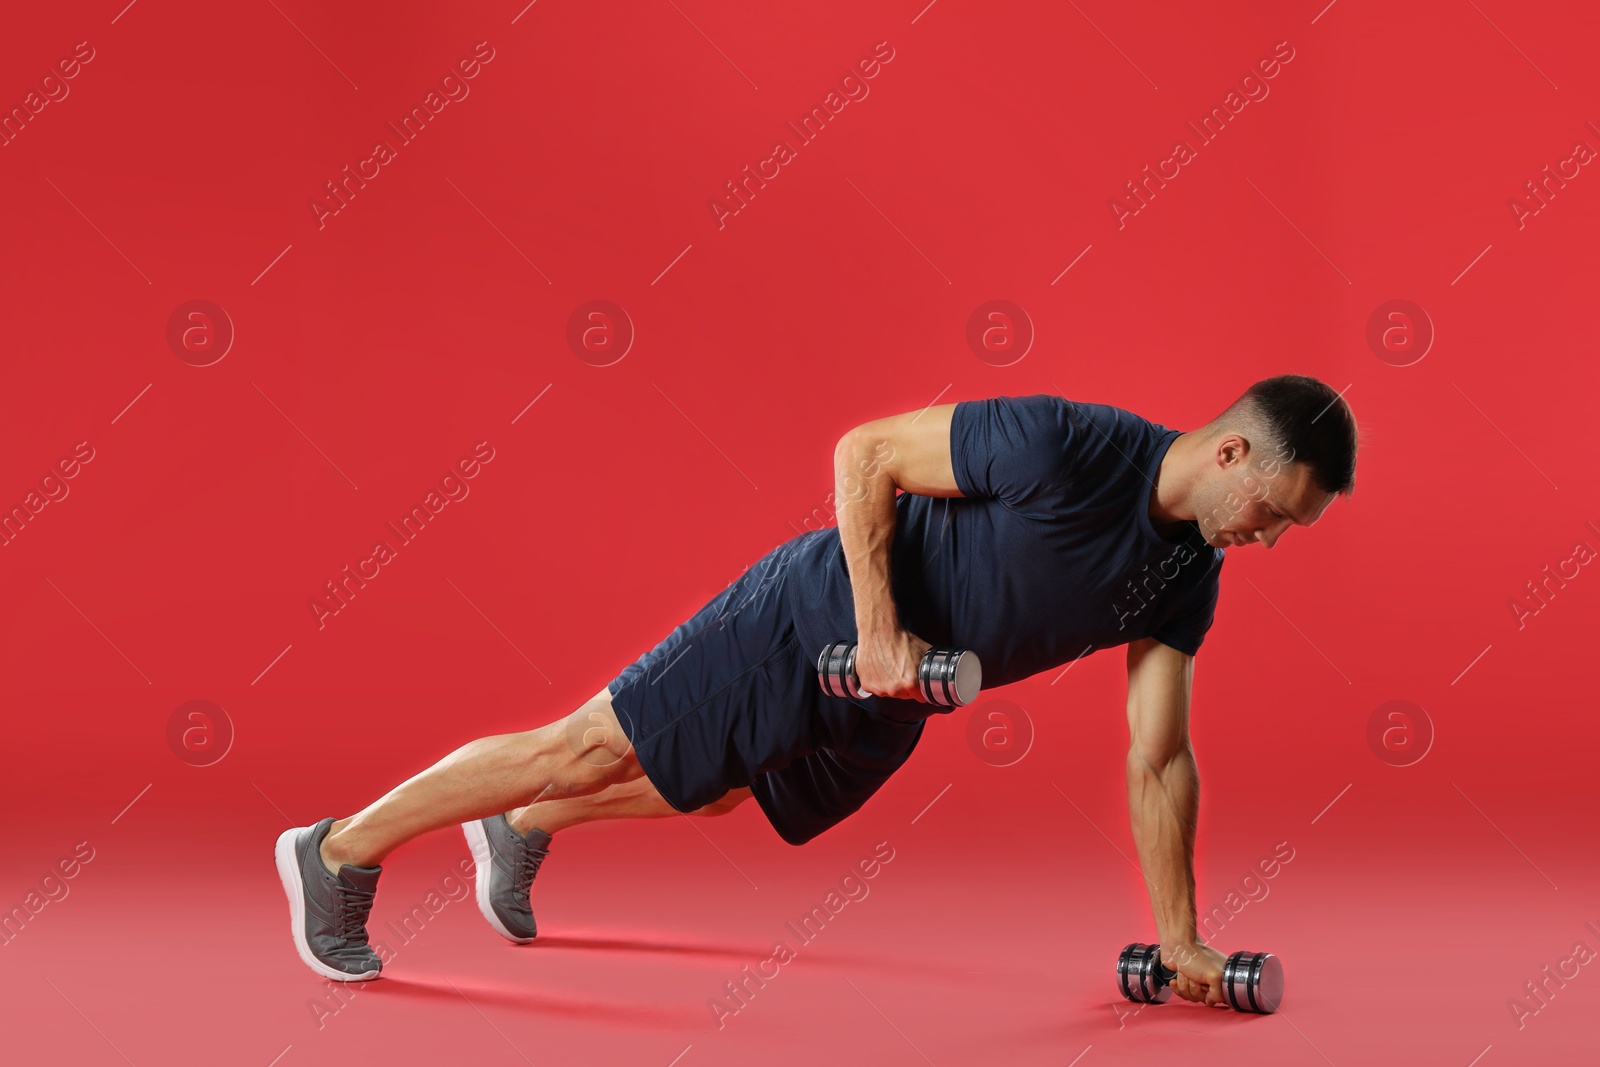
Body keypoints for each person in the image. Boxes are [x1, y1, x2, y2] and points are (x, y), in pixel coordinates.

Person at [274, 374, 1357, 1008]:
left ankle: (517, 823)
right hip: (813, 614)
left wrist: (1181, 938)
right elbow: (867, 450)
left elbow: (1157, 753)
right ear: (1228, 450)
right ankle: (332, 850)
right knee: (585, 744)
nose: (1265, 539)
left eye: (1287, 530)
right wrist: (880, 629)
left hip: (895, 696)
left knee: (720, 790)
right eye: (1272, 510)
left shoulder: (1189, 574)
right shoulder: (1067, 445)